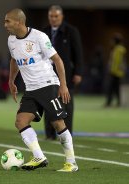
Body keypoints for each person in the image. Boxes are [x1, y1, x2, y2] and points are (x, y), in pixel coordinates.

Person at [4, 8, 78, 172]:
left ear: (19, 22)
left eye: (8, 21)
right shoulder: (11, 40)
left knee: (58, 123)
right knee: (21, 121)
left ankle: (71, 163)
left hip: (47, 85)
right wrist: (11, 81)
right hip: (31, 89)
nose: (5, 24)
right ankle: (39, 156)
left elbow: (57, 60)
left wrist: (63, 85)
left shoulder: (39, 37)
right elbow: (14, 61)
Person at [43, 5, 83, 139]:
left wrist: (78, 72)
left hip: (66, 75)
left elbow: (78, 53)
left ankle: (66, 134)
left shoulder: (71, 31)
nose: (53, 19)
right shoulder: (44, 32)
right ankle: (49, 135)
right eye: (51, 16)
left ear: (62, 17)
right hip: (47, 75)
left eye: (56, 16)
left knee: (66, 104)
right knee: (49, 104)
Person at [105, 33, 127, 107]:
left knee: (114, 88)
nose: (111, 42)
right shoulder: (115, 49)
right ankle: (112, 102)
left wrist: (123, 69)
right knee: (112, 88)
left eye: (113, 40)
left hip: (118, 72)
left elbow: (123, 60)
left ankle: (115, 102)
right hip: (113, 71)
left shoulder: (121, 49)